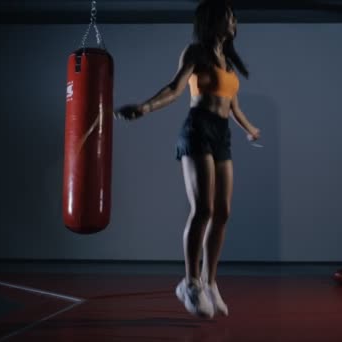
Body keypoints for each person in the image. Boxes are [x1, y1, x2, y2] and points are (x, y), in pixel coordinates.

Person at [115, 0, 260, 318]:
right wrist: (145, 107)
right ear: (214, 20)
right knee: (204, 209)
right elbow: (175, 88)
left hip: (222, 133)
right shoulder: (196, 53)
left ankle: (209, 282)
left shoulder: (228, 65)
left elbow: (233, 107)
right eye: (229, 15)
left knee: (222, 212)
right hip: (198, 129)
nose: (234, 20)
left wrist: (250, 129)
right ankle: (190, 282)